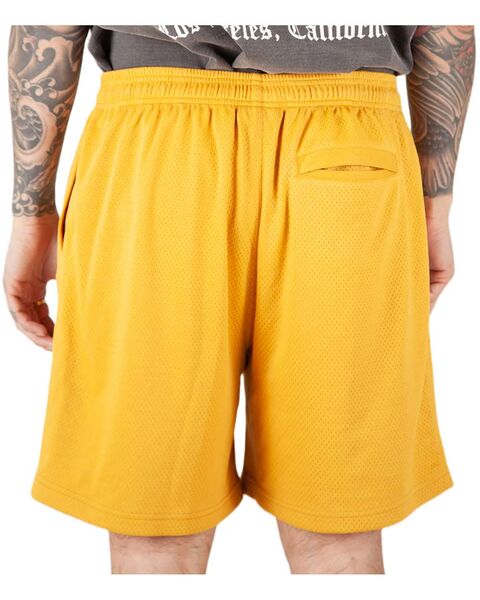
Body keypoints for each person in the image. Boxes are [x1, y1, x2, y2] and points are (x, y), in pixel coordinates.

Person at [4, 25, 475, 575]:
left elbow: (50, 22)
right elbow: (447, 23)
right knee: (338, 533)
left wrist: (31, 212)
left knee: (155, 531)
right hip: (350, 142)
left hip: (157, 143)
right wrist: (435, 203)